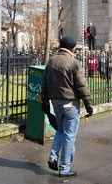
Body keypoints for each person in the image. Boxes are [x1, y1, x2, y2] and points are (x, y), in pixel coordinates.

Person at [41, 36, 93, 178]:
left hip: (56, 103)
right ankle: (64, 168)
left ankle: (53, 156)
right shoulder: (74, 63)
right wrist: (89, 106)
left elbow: (44, 84)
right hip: (70, 104)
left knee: (60, 130)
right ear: (73, 49)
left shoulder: (51, 61)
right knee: (69, 136)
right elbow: (82, 86)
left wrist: (44, 102)